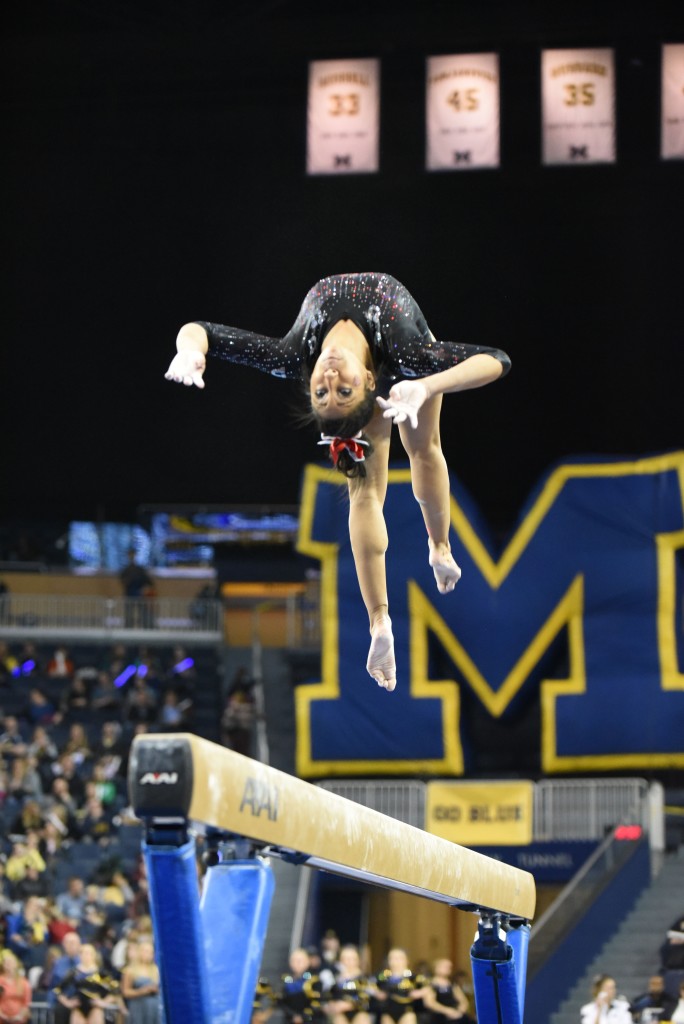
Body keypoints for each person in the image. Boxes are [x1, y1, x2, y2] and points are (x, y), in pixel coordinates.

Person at [165, 272, 510, 692]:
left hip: (403, 371)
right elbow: (496, 359)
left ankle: (439, 549)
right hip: (398, 357)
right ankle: (382, 617)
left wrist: (189, 351)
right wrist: (425, 382)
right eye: (340, 392)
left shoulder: (294, 355)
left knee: (402, 462)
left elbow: (201, 331)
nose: (328, 381)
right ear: (365, 382)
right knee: (403, 464)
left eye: (321, 393)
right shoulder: (409, 348)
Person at [53, 942, 120, 1024]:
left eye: (89, 953)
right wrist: (68, 1003)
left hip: (95, 1007)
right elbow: (58, 989)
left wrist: (104, 1002)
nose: (86, 956)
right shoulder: (74, 972)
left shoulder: (100, 973)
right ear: (80, 955)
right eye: (83, 953)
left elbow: (115, 989)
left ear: (94, 955)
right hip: (78, 1007)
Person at [374, 948, 429, 1024]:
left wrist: (420, 992)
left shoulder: (412, 977)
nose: (395, 961)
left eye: (399, 958)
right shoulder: (383, 976)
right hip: (387, 1011)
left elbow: (429, 987)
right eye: (392, 958)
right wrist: (377, 993)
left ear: (406, 960)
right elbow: (371, 985)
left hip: (407, 1011)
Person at [323, 945, 372, 1024]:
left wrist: (350, 1005)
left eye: (352, 959)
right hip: (339, 1014)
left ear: (358, 960)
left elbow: (368, 998)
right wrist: (332, 1004)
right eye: (345, 959)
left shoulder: (365, 978)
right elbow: (327, 996)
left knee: (362, 1019)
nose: (348, 962)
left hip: (359, 1012)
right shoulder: (335, 978)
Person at [278, 948, 326, 1024]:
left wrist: (302, 1016)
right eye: (294, 960)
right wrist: (293, 1015)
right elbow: (281, 1001)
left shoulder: (314, 980)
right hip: (290, 1018)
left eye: (300, 961)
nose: (297, 964)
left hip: (311, 1019)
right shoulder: (286, 979)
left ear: (308, 962)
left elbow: (317, 1002)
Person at [420, 958, 473, 1024]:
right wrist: (447, 1011)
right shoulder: (430, 984)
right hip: (439, 1015)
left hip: (455, 1013)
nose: (448, 969)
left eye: (449, 967)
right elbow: (430, 1003)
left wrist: (460, 1011)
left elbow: (463, 1001)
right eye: (445, 966)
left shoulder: (452, 984)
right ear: (436, 968)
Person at [120, 938, 161, 1024]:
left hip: (155, 1006)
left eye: (150, 952)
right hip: (138, 1006)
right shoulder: (130, 970)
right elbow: (125, 992)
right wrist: (142, 991)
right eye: (145, 951)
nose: (148, 954)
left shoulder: (156, 970)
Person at [0, 949, 32, 1024]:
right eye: (6, 963)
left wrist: (19, 1016)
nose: (8, 965)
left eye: (11, 962)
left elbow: (26, 1003)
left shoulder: (24, 982)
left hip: (19, 1019)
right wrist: (3, 1016)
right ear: (3, 965)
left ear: (16, 964)